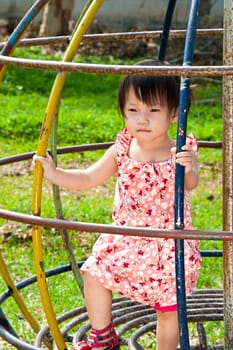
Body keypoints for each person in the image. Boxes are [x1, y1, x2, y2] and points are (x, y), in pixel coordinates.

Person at [32, 60, 201, 350]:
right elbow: (88, 177)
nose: (142, 120)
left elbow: (190, 184)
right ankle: (103, 337)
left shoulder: (180, 150)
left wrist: (190, 166)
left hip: (168, 244)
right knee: (94, 273)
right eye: (133, 110)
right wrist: (55, 173)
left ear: (174, 113)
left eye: (153, 110)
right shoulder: (122, 148)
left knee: (169, 309)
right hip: (124, 239)